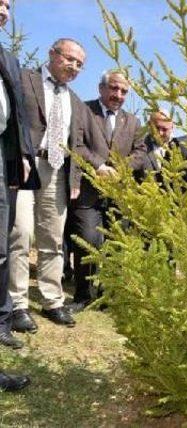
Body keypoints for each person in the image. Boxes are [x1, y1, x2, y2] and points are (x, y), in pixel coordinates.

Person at [9, 38, 88, 333]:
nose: (75, 67)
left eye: (80, 64)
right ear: (52, 54)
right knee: (21, 233)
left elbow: (77, 144)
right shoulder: (23, 79)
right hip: (26, 165)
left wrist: (75, 178)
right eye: (70, 60)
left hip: (58, 171)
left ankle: (53, 300)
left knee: (53, 238)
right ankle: (17, 303)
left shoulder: (75, 101)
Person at [68, 69, 146, 312]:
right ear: (101, 88)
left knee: (115, 244)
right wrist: (99, 166)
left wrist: (121, 169)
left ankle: (107, 294)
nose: (118, 94)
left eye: (123, 91)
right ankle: (83, 295)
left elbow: (141, 152)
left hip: (118, 193)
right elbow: (77, 145)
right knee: (88, 241)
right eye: (113, 88)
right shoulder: (84, 110)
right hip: (89, 190)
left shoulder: (133, 121)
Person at [0, 0, 39, 359]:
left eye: (8, 5)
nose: (4, 10)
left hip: (2, 155)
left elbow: (18, 116)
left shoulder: (9, 60)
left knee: (3, 242)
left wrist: (23, 155)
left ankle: (1, 321)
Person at [137, 111, 187, 185]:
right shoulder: (138, 147)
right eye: (157, 128)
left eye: (164, 129)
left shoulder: (184, 148)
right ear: (150, 125)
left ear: (172, 127)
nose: (160, 133)